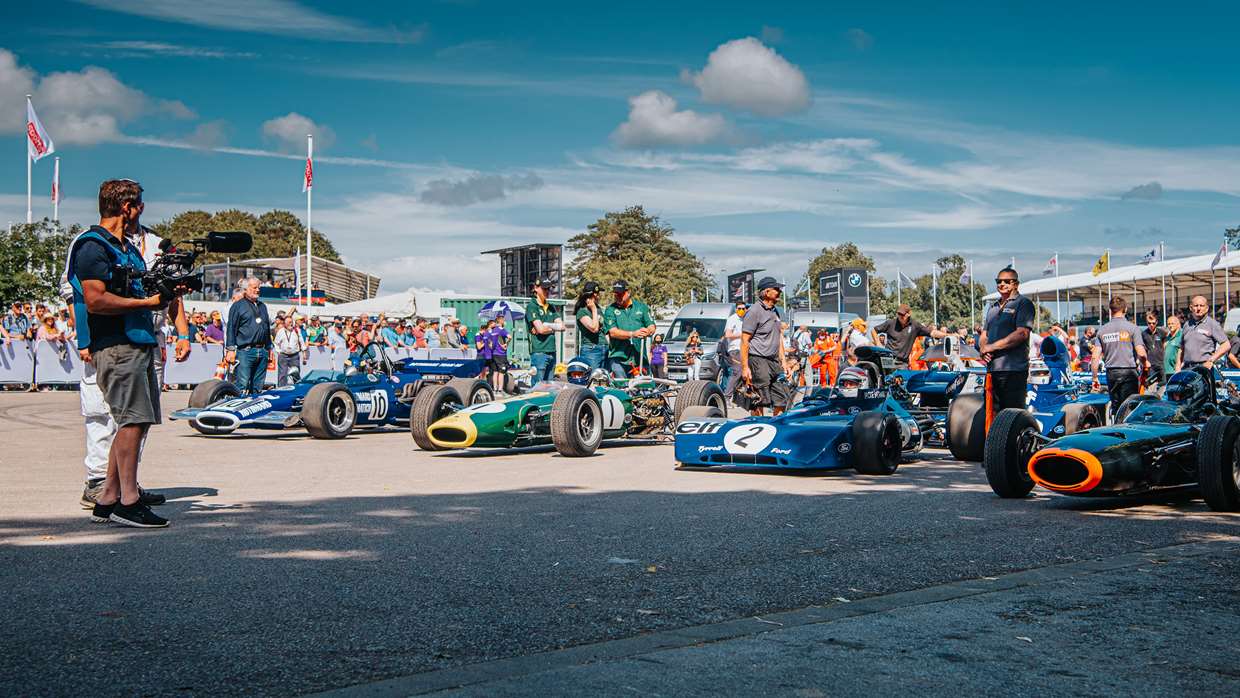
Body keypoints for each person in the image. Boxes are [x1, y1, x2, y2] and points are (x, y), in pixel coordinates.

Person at [68, 178, 192, 528]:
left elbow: (148, 292)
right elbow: (94, 299)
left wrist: (167, 293)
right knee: (133, 420)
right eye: (139, 205)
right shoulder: (93, 246)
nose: (141, 211)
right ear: (127, 207)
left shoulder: (128, 249)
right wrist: (147, 301)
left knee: (132, 421)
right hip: (117, 344)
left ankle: (109, 498)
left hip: (137, 341)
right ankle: (129, 500)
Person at [978, 266, 1035, 412]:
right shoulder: (993, 307)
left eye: (1006, 281)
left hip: (1013, 370)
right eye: (999, 281)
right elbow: (984, 334)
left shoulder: (1023, 304)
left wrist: (991, 347)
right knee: (992, 415)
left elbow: (1022, 334)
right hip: (993, 370)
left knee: (1012, 416)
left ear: (1015, 284)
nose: (1002, 284)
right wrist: (983, 349)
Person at [739, 277, 790, 416]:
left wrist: (784, 361)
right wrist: (745, 367)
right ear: (767, 292)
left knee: (782, 398)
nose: (779, 292)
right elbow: (744, 340)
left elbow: (778, 337)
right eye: (777, 289)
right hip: (757, 359)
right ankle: (757, 428)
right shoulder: (754, 311)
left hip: (773, 361)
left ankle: (776, 428)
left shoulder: (775, 311)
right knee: (759, 400)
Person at [1091, 297, 1150, 411]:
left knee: (1117, 408)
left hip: (1111, 373)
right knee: (1130, 408)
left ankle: (1116, 427)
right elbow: (1141, 354)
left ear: (1110, 310)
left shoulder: (1102, 330)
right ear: (1125, 309)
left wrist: (1094, 377)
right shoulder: (1132, 328)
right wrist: (1145, 363)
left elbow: (1095, 357)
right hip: (1129, 372)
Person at [226, 277, 273, 395]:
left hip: (262, 351)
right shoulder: (238, 306)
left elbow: (266, 328)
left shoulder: (263, 306)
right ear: (246, 289)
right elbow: (231, 328)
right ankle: (236, 409)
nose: (257, 290)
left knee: (258, 386)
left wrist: (269, 348)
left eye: (259, 287)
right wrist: (230, 349)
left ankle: (254, 410)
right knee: (242, 384)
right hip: (245, 351)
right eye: (254, 287)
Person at [602, 279, 656, 378]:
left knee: (642, 388)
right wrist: (632, 334)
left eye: (620, 294)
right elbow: (613, 332)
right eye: (615, 294)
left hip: (639, 358)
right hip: (618, 357)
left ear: (628, 292)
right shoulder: (610, 310)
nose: (617, 296)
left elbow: (651, 325)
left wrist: (648, 331)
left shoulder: (641, 307)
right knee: (622, 388)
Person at [872, 304, 947, 368]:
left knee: (901, 382)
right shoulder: (891, 323)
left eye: (903, 314)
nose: (900, 316)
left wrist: (946, 335)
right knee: (886, 381)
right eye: (899, 314)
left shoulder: (915, 325)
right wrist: (878, 344)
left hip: (902, 362)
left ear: (909, 314)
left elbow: (932, 333)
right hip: (888, 359)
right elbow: (874, 330)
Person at [525, 279, 563, 382]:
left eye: (549, 289)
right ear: (536, 289)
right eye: (544, 288)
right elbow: (541, 330)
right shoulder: (532, 306)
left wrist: (547, 326)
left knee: (550, 387)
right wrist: (554, 328)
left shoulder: (551, 307)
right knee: (538, 388)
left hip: (552, 351)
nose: (547, 291)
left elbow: (562, 326)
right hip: (539, 352)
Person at [1180, 295, 1230, 369]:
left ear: (1207, 308)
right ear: (1191, 308)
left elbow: (1226, 345)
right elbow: (1181, 348)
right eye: (1196, 306)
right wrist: (1178, 365)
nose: (1199, 308)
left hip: (1203, 368)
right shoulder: (1187, 325)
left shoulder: (1212, 324)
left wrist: (1211, 360)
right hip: (1187, 368)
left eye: (1202, 306)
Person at [574, 281, 606, 371]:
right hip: (591, 350)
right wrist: (594, 310)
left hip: (603, 347)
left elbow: (603, 329)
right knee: (592, 379)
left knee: (604, 380)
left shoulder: (598, 309)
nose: (599, 296)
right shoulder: (582, 311)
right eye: (597, 294)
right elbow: (594, 328)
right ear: (592, 295)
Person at [718, 302, 746, 400]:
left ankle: (739, 397)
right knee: (737, 371)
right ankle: (727, 397)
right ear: (736, 309)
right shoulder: (732, 319)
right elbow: (728, 335)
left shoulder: (745, 319)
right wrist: (741, 335)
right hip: (735, 349)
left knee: (746, 371)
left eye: (743, 308)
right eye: (739, 308)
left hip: (744, 349)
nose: (742, 310)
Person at [273, 316, 307, 386]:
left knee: (296, 374)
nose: (291, 324)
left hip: (294, 356)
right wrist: (278, 352)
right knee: (282, 375)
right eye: (289, 322)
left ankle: (297, 389)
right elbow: (276, 343)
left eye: (291, 322)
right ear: (285, 324)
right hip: (283, 355)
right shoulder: (281, 331)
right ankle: (281, 390)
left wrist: (304, 355)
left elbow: (301, 342)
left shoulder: (297, 330)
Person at [1140, 311, 1167, 387]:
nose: (1151, 325)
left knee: (1163, 386)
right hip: (1150, 365)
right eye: (1149, 323)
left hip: (1161, 364)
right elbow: (1142, 349)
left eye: (1153, 323)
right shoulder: (1143, 334)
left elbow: (1165, 346)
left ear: (1157, 322)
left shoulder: (1162, 333)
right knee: (1151, 387)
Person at [489, 317, 511, 390]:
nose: (505, 322)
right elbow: (509, 337)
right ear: (501, 321)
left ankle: (495, 389)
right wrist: (506, 344)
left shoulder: (493, 330)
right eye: (504, 320)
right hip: (501, 354)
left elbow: (490, 343)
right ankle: (500, 390)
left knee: (495, 372)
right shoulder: (502, 330)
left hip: (494, 354)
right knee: (501, 372)